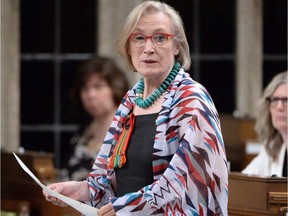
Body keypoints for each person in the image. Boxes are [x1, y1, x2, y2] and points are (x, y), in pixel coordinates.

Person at [43, 1, 228, 215]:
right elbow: (110, 173)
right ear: (129, 47)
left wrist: (126, 207)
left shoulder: (191, 98)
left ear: (177, 46)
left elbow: (183, 180)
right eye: (139, 38)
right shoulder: (132, 99)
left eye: (160, 38)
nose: (148, 48)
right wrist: (81, 189)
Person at [62, 56, 129, 181]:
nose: (90, 95)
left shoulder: (127, 130)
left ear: (115, 88)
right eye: (85, 88)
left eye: (98, 86)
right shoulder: (84, 131)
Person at [242, 71, 288, 177]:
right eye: (275, 100)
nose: (279, 107)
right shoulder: (272, 148)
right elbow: (245, 181)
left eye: (286, 100)